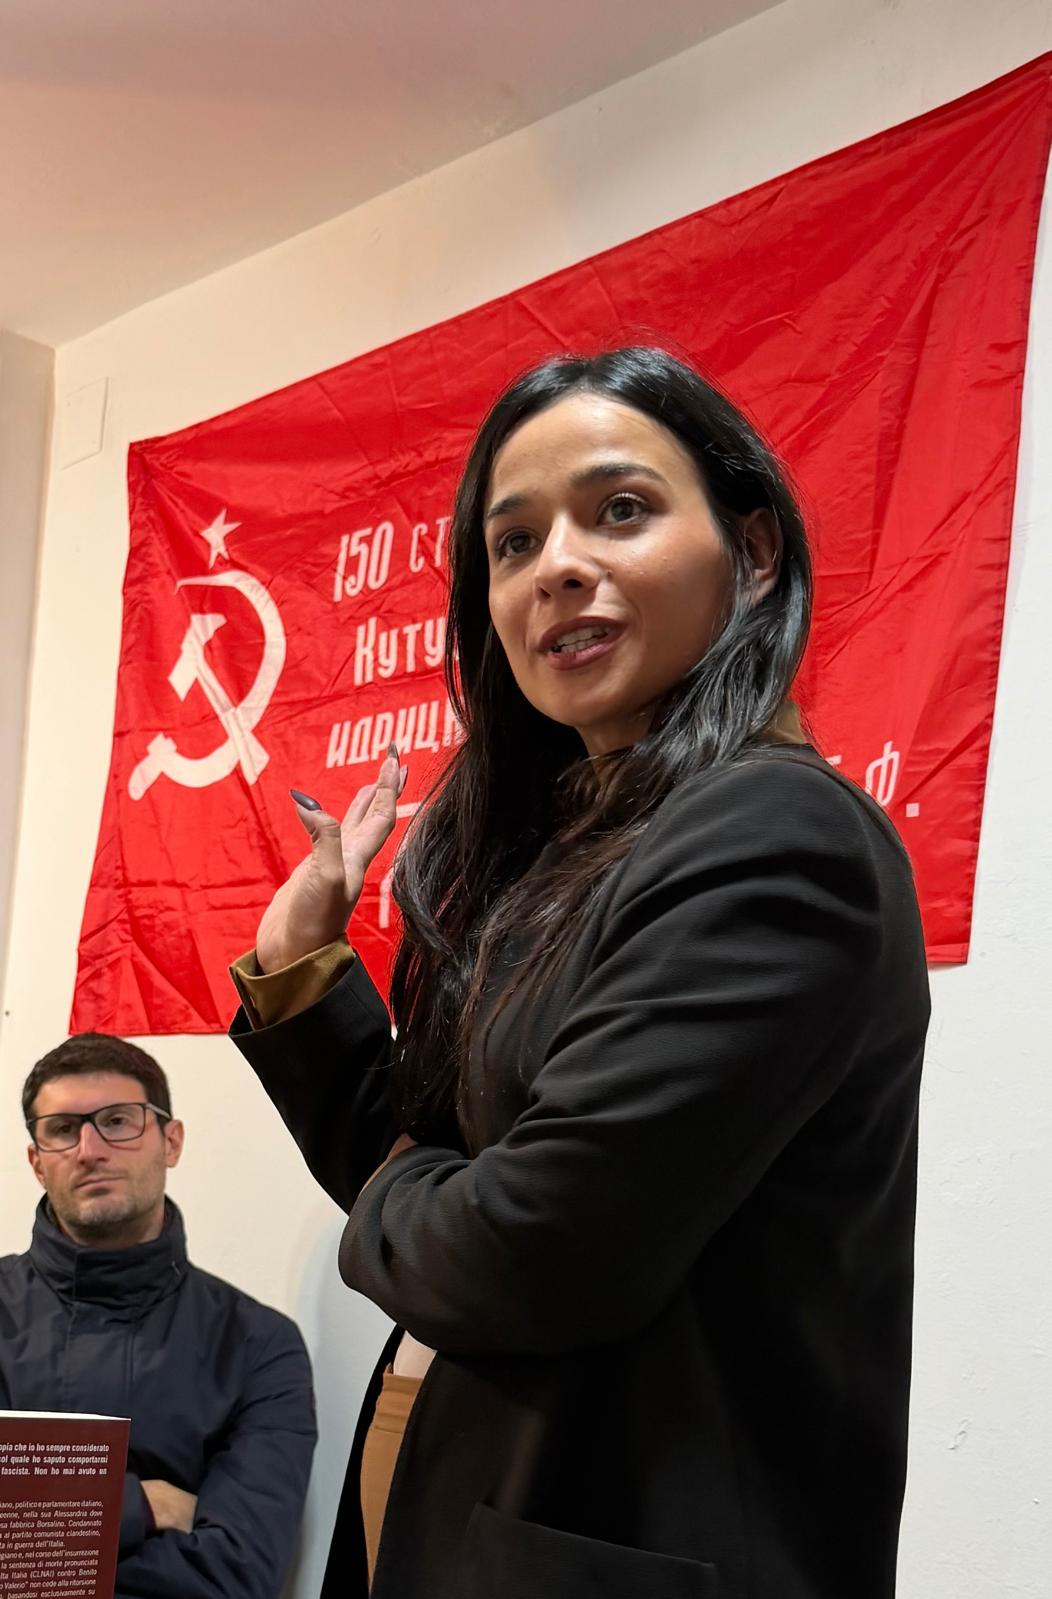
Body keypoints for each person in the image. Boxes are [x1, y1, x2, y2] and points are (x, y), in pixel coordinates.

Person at [229, 345, 930, 1599]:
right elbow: (439, 1186)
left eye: (619, 509)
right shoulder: (569, 853)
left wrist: (417, 1199)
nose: (555, 565)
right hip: (457, 1524)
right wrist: (300, 975)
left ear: (752, 550)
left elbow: (525, 1259)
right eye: (513, 542)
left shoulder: (773, 830)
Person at [1, 1032, 317, 1599]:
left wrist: (35, 1548)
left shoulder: (258, 1344)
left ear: (170, 1142)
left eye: (118, 1121)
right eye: (63, 1129)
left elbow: (237, 1575)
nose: (90, 1149)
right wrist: (144, 1504)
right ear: (36, 1162)